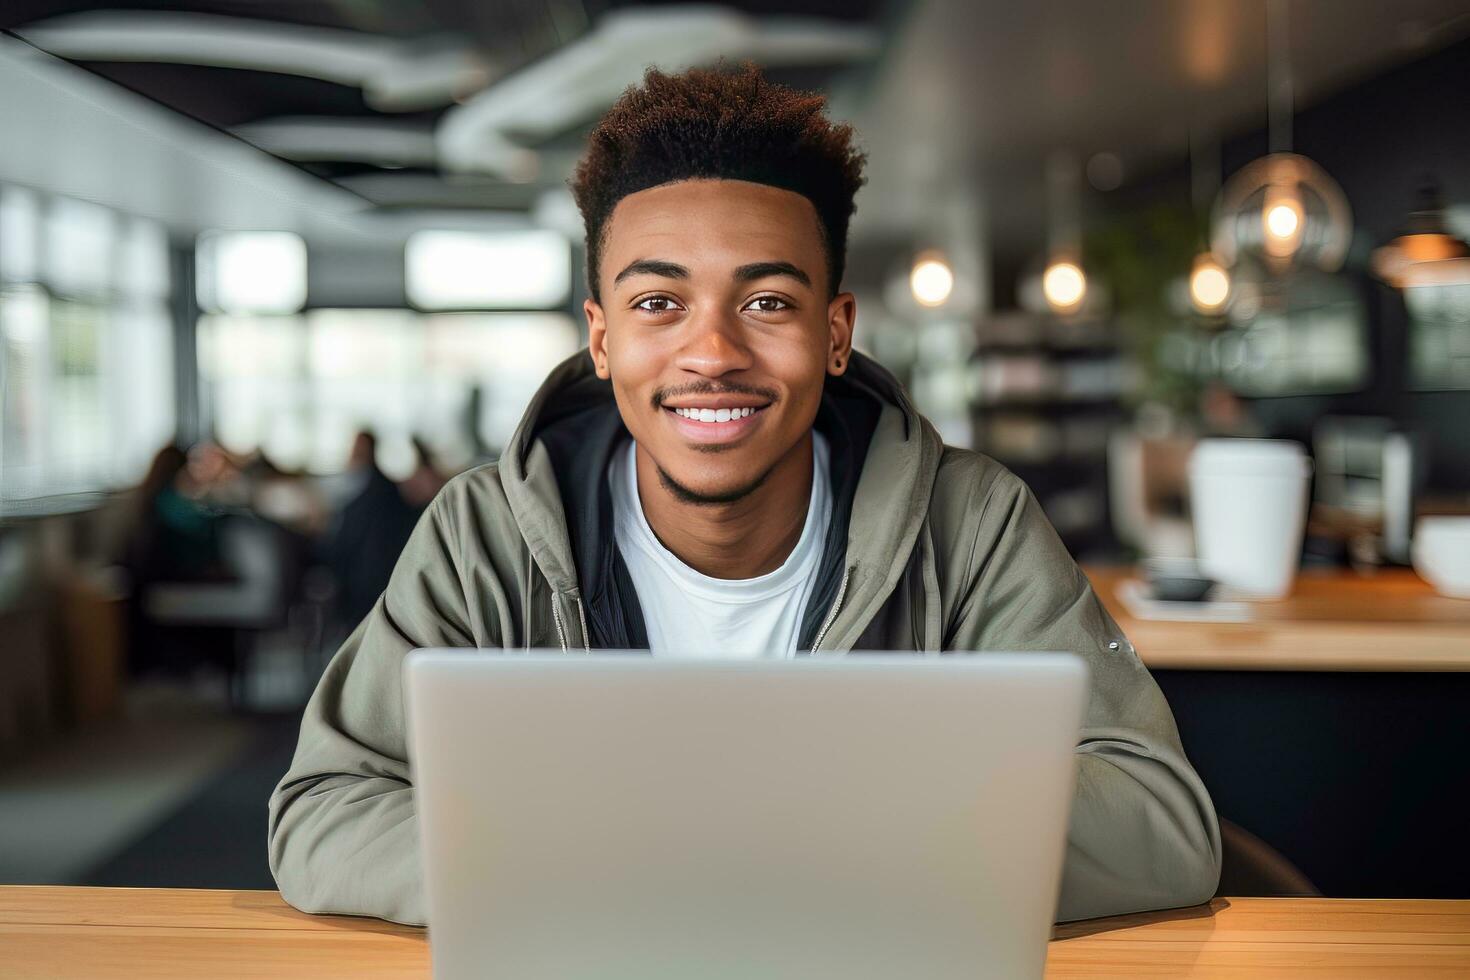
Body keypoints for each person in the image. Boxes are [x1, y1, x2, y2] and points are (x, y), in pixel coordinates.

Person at [270, 64, 1220, 927]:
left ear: (836, 332)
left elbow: (1160, 818)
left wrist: (797, 849)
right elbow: (322, 814)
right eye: (658, 304)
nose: (714, 354)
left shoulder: (969, 523)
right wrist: (603, 871)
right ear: (601, 341)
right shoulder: (485, 533)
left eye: (767, 302)